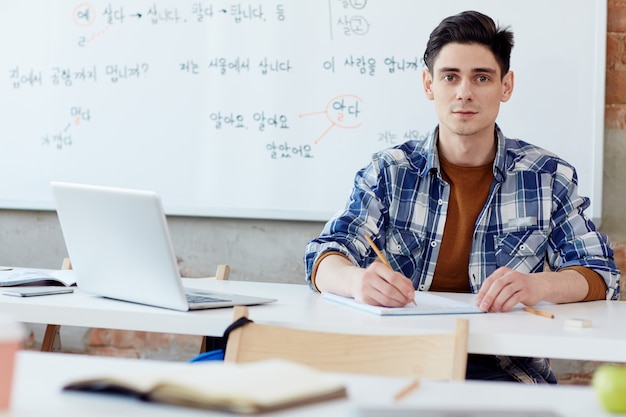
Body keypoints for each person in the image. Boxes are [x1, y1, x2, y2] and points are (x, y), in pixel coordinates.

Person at [303, 10, 620, 383]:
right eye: (450, 77)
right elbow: (322, 257)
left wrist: (539, 286)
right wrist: (356, 282)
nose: (464, 92)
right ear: (428, 85)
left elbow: (601, 275)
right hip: (396, 362)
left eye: (481, 77)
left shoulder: (548, 176)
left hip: (506, 370)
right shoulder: (389, 170)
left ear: (506, 85)